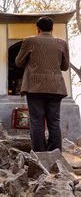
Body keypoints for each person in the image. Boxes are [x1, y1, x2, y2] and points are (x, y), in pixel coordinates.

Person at [15, 16, 69, 152]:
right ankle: (55, 154)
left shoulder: (29, 41)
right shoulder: (62, 43)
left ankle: (39, 154)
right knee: (54, 122)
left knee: (37, 122)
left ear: (37, 28)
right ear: (52, 28)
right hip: (56, 87)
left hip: (35, 87)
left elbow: (18, 62)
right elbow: (65, 66)